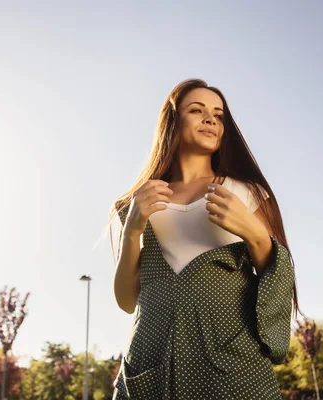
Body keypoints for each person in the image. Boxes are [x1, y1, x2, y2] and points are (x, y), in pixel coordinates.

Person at [109, 78, 297, 399]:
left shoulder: (248, 193)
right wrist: (131, 233)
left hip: (232, 371)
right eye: (196, 110)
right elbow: (127, 302)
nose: (210, 119)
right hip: (151, 366)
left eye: (218, 115)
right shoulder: (138, 202)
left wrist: (252, 232)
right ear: (172, 121)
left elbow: (280, 276)